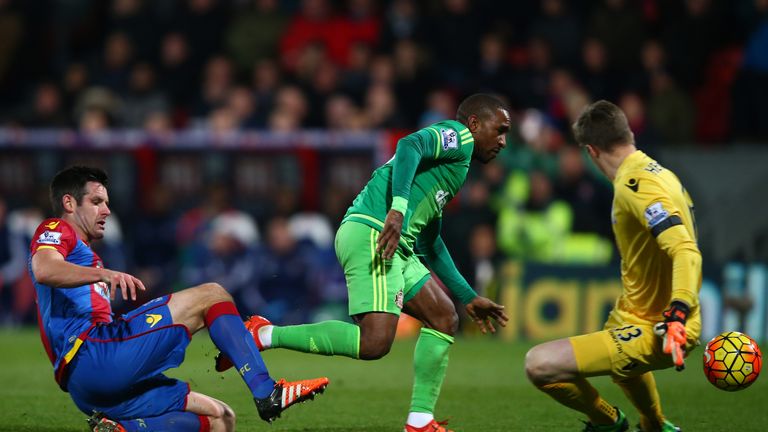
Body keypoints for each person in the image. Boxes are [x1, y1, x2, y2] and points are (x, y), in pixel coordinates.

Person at [215, 93, 511, 432]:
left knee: (444, 317)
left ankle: (420, 422)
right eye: (499, 130)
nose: (503, 141)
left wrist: (468, 295)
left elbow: (430, 241)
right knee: (374, 343)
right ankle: (265, 334)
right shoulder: (459, 137)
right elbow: (409, 145)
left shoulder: (454, 169)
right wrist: (397, 208)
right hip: (374, 230)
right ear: (474, 123)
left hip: (397, 243)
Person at [28, 166, 329, 432]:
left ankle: (121, 429)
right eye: (96, 202)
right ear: (69, 202)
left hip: (90, 390)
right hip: (95, 355)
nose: (106, 210)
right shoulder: (56, 228)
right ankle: (266, 390)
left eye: (107, 202)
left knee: (222, 420)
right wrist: (104, 274)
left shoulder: (84, 255)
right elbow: (44, 268)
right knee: (212, 295)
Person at [525, 100, 702, 432]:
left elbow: (685, 250)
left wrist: (678, 310)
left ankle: (609, 424)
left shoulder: (636, 186)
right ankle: (654, 425)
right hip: (636, 312)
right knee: (624, 368)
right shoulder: (661, 173)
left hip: (662, 325)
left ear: (591, 152)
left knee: (539, 364)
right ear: (630, 133)